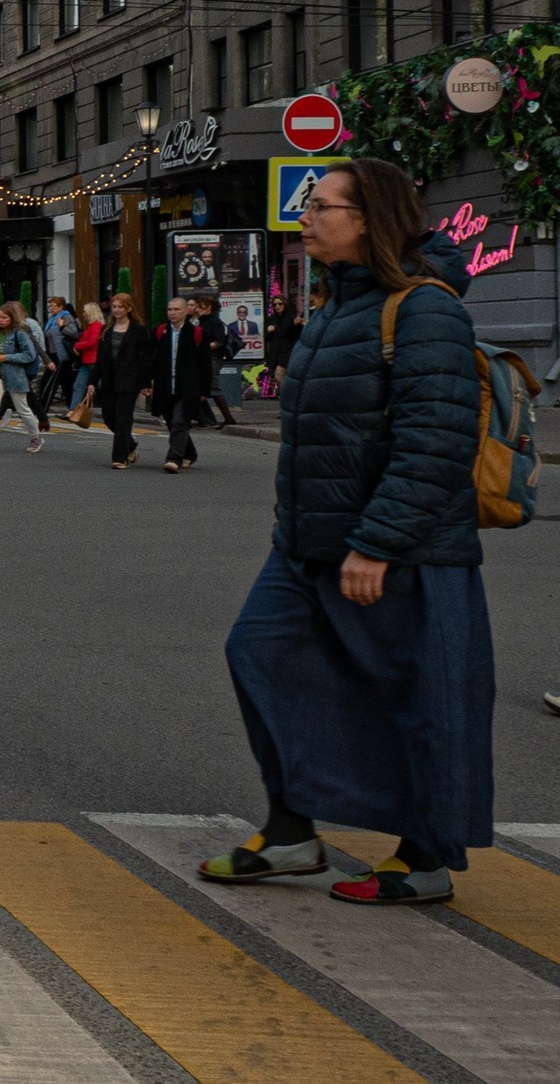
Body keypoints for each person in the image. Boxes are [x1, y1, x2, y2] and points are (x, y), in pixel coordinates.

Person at [203, 157, 492, 907]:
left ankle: (423, 856)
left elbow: (435, 441)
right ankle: (293, 829)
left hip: (398, 550)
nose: (306, 215)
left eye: (320, 204)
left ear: (365, 220)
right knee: (258, 652)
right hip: (308, 543)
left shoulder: (424, 310)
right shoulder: (336, 305)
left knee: (416, 698)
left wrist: (379, 541)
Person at [0, 300, 47, 454]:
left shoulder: (20, 333)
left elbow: (29, 355)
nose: (0, 320)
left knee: (23, 409)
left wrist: (6, 357)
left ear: (12, 318)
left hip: (15, 376)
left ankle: (36, 437)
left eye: (4, 317)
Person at [93, 292, 153, 468]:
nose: (117, 310)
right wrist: (92, 381)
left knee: (123, 419)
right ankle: (130, 444)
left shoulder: (139, 331)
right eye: (114, 307)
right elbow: (100, 360)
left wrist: (145, 383)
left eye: (120, 307)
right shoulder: (107, 330)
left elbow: (144, 358)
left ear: (128, 308)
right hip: (109, 379)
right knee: (108, 416)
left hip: (129, 380)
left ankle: (119, 458)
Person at [152, 295, 211, 472]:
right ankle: (189, 453)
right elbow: (152, 359)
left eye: (176, 309)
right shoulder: (161, 331)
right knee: (172, 421)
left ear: (186, 311)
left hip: (188, 386)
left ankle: (174, 459)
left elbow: (205, 364)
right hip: (166, 385)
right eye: (170, 309)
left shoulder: (197, 333)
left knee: (179, 420)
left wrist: (204, 390)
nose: (172, 313)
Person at [192, 291, 237, 426]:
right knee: (202, 387)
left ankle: (228, 418)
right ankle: (205, 418)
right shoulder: (201, 321)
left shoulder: (214, 322)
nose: (197, 309)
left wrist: (203, 347)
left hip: (213, 357)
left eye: (200, 307)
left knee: (213, 387)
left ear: (208, 307)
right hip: (205, 357)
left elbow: (219, 342)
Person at [32, 295, 76, 427]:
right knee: (67, 384)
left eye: (53, 306)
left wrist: (62, 327)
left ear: (61, 307)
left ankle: (42, 413)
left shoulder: (66, 317)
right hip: (54, 354)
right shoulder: (52, 319)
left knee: (49, 383)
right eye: (50, 305)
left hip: (61, 356)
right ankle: (72, 410)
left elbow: (74, 332)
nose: (51, 308)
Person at [68, 300, 104, 426]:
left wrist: (77, 346)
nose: (83, 314)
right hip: (87, 360)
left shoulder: (96, 326)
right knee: (79, 385)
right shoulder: (92, 326)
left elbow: (92, 342)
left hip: (93, 361)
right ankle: (72, 410)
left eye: (85, 311)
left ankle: (73, 409)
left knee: (98, 384)